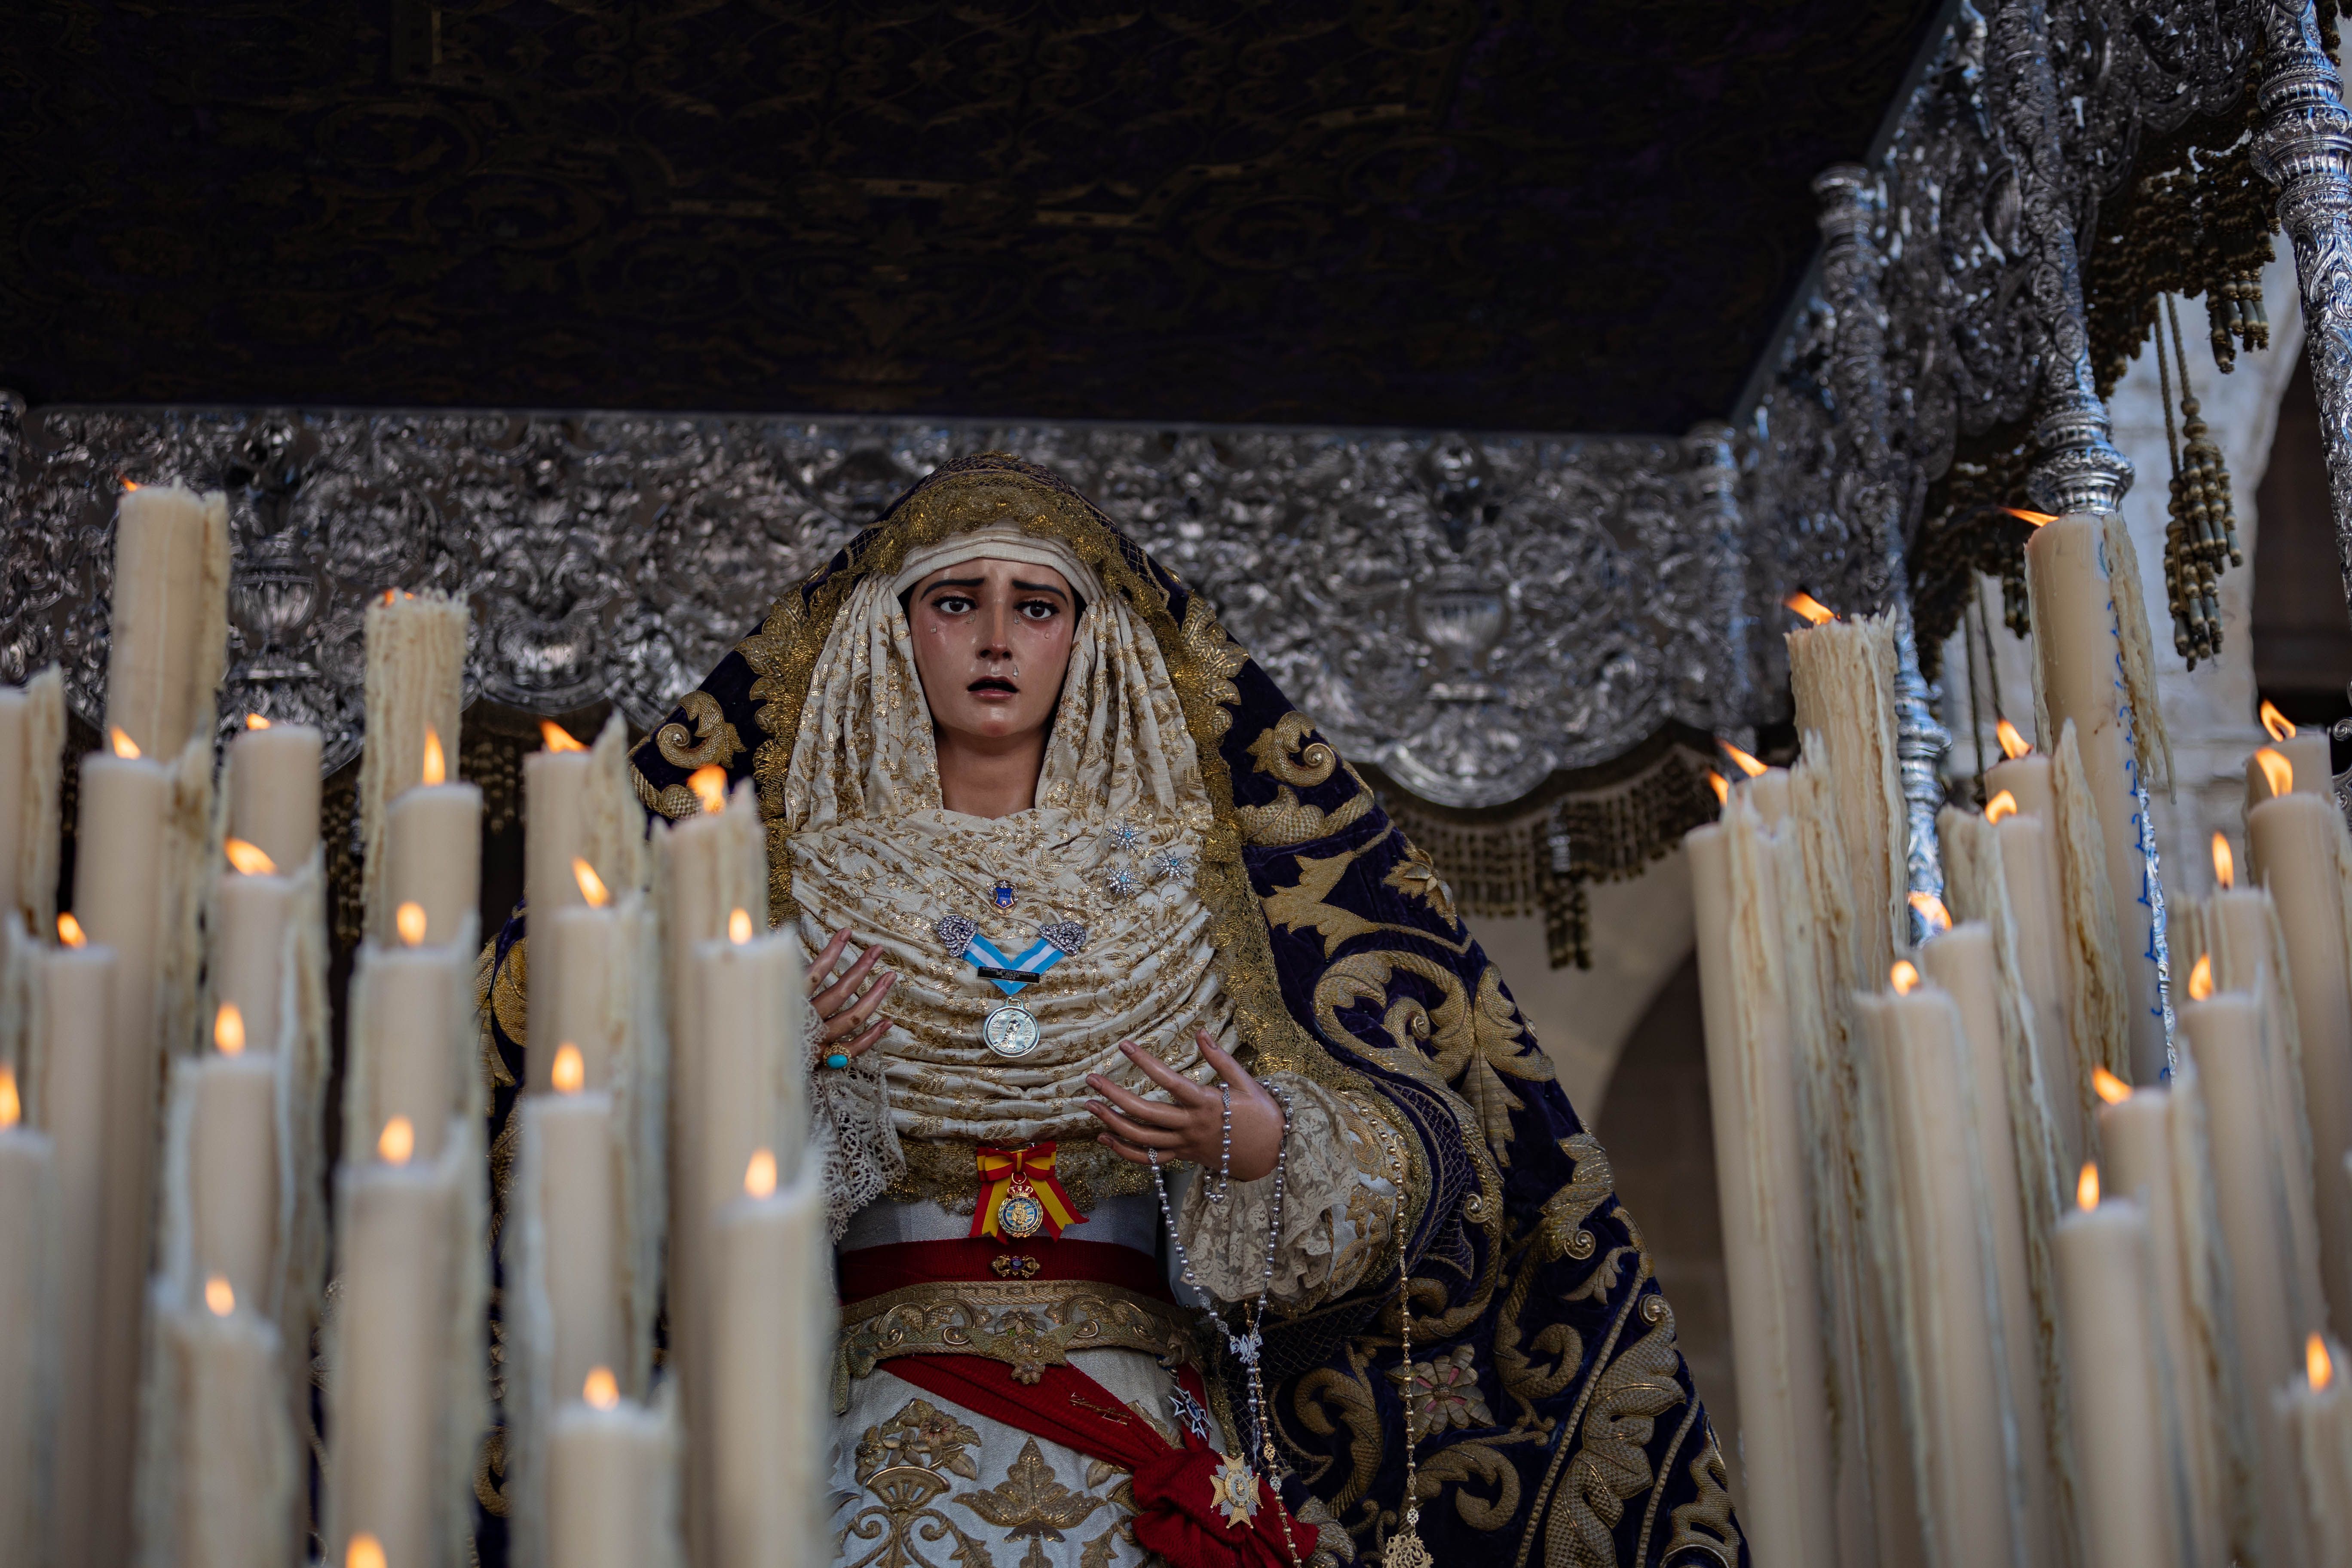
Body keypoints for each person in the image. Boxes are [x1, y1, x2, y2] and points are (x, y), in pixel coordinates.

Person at [487, 453, 1743, 1567]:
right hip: (866, 1420)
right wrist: (770, 1065)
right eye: (953, 604)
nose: (994, 640)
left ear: (1086, 640)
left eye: (1035, 608)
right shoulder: (782, 878)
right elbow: (627, 1187)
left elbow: (1416, 1148)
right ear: (893, 631)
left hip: (1147, 1427)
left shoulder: (1198, 887)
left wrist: (1259, 1143)